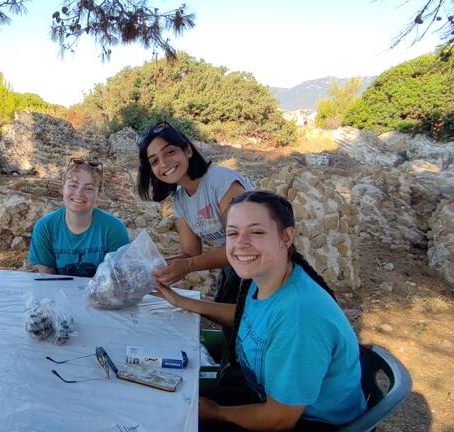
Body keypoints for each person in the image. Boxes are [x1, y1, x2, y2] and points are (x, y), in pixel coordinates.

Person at [152, 191, 367, 431]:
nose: (241, 243)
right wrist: (182, 301)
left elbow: (279, 419)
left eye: (256, 232)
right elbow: (249, 319)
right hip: (264, 396)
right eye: (233, 233)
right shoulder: (269, 276)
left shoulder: (299, 318)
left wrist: (215, 412)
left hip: (308, 422)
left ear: (286, 237)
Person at [137, 120, 253, 367]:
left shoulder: (221, 182)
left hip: (258, 266)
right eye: (154, 160)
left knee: (252, 325)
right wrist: (155, 266)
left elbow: (244, 247)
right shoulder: (180, 199)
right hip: (233, 268)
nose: (164, 163)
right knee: (230, 327)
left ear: (187, 150)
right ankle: (233, 373)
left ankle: (249, 386)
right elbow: (191, 252)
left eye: (170, 152)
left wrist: (188, 265)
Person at [28, 158, 130, 277]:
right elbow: (47, 280)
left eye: (89, 188)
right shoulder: (45, 228)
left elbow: (118, 281)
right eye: (73, 186)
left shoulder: (114, 229)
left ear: (99, 193)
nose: (79, 193)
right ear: (63, 187)